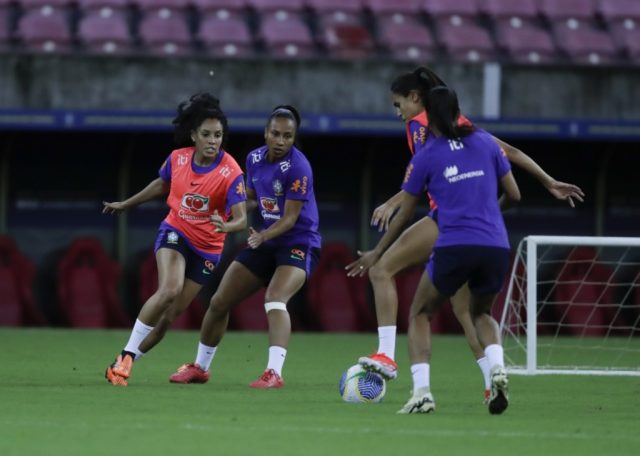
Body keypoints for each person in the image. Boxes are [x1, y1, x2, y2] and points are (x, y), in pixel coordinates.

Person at [346, 67, 585, 402]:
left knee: (381, 269)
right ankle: (492, 381)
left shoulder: (421, 127)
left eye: (398, 104)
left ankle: (386, 355)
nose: (398, 113)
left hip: (445, 219)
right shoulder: (460, 123)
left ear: (416, 98)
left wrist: (394, 205)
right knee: (467, 312)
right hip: (479, 228)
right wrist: (548, 181)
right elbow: (510, 153)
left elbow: (425, 176)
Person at [168, 105, 321, 388]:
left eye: (288, 136)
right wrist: (228, 212)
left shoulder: (299, 168)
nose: (280, 141)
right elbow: (251, 197)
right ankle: (200, 367)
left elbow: (289, 219)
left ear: (294, 137)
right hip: (264, 241)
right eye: (275, 133)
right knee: (218, 302)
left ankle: (274, 373)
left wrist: (262, 235)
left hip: (298, 243)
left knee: (275, 298)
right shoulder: (253, 159)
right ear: (266, 132)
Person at [390, 86, 520, 414]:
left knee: (421, 313)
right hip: (496, 244)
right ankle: (496, 368)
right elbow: (515, 195)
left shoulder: (427, 154)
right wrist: (488, 211)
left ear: (428, 116)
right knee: (481, 313)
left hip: (455, 243)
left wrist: (379, 251)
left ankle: (422, 392)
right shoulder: (485, 142)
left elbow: (404, 211)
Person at [103, 93, 247, 386]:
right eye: (206, 134)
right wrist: (127, 203)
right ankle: (126, 357)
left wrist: (228, 226)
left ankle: (124, 361)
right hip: (175, 232)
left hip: (208, 249)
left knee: (169, 319)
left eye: (218, 135)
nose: (212, 141)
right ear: (193, 135)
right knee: (169, 289)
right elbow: (161, 184)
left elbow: (242, 219)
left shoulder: (231, 171)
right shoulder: (178, 158)